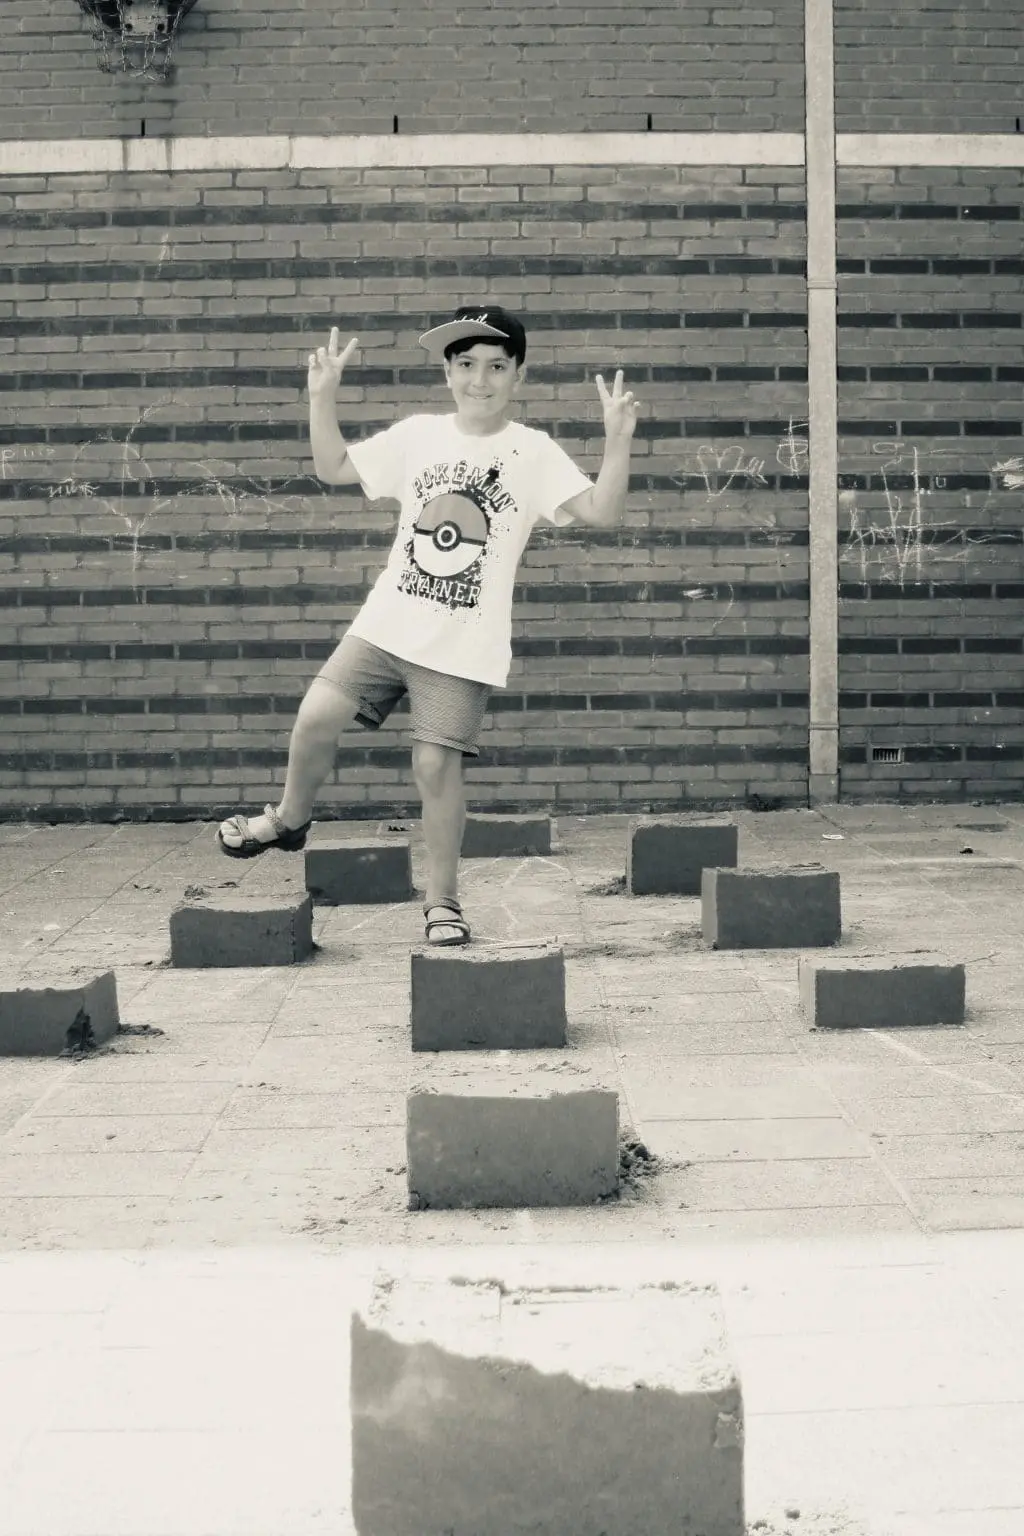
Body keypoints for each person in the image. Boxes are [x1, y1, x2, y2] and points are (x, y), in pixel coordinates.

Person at [217, 304, 639, 946]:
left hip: (462, 645)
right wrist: (322, 396)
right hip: (388, 624)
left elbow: (602, 511)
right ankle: (289, 819)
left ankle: (443, 903)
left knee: (435, 767)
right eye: (466, 364)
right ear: (447, 373)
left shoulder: (532, 451)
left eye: (496, 366)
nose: (480, 380)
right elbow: (334, 467)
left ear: (519, 375)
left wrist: (618, 438)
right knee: (315, 717)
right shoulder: (418, 435)